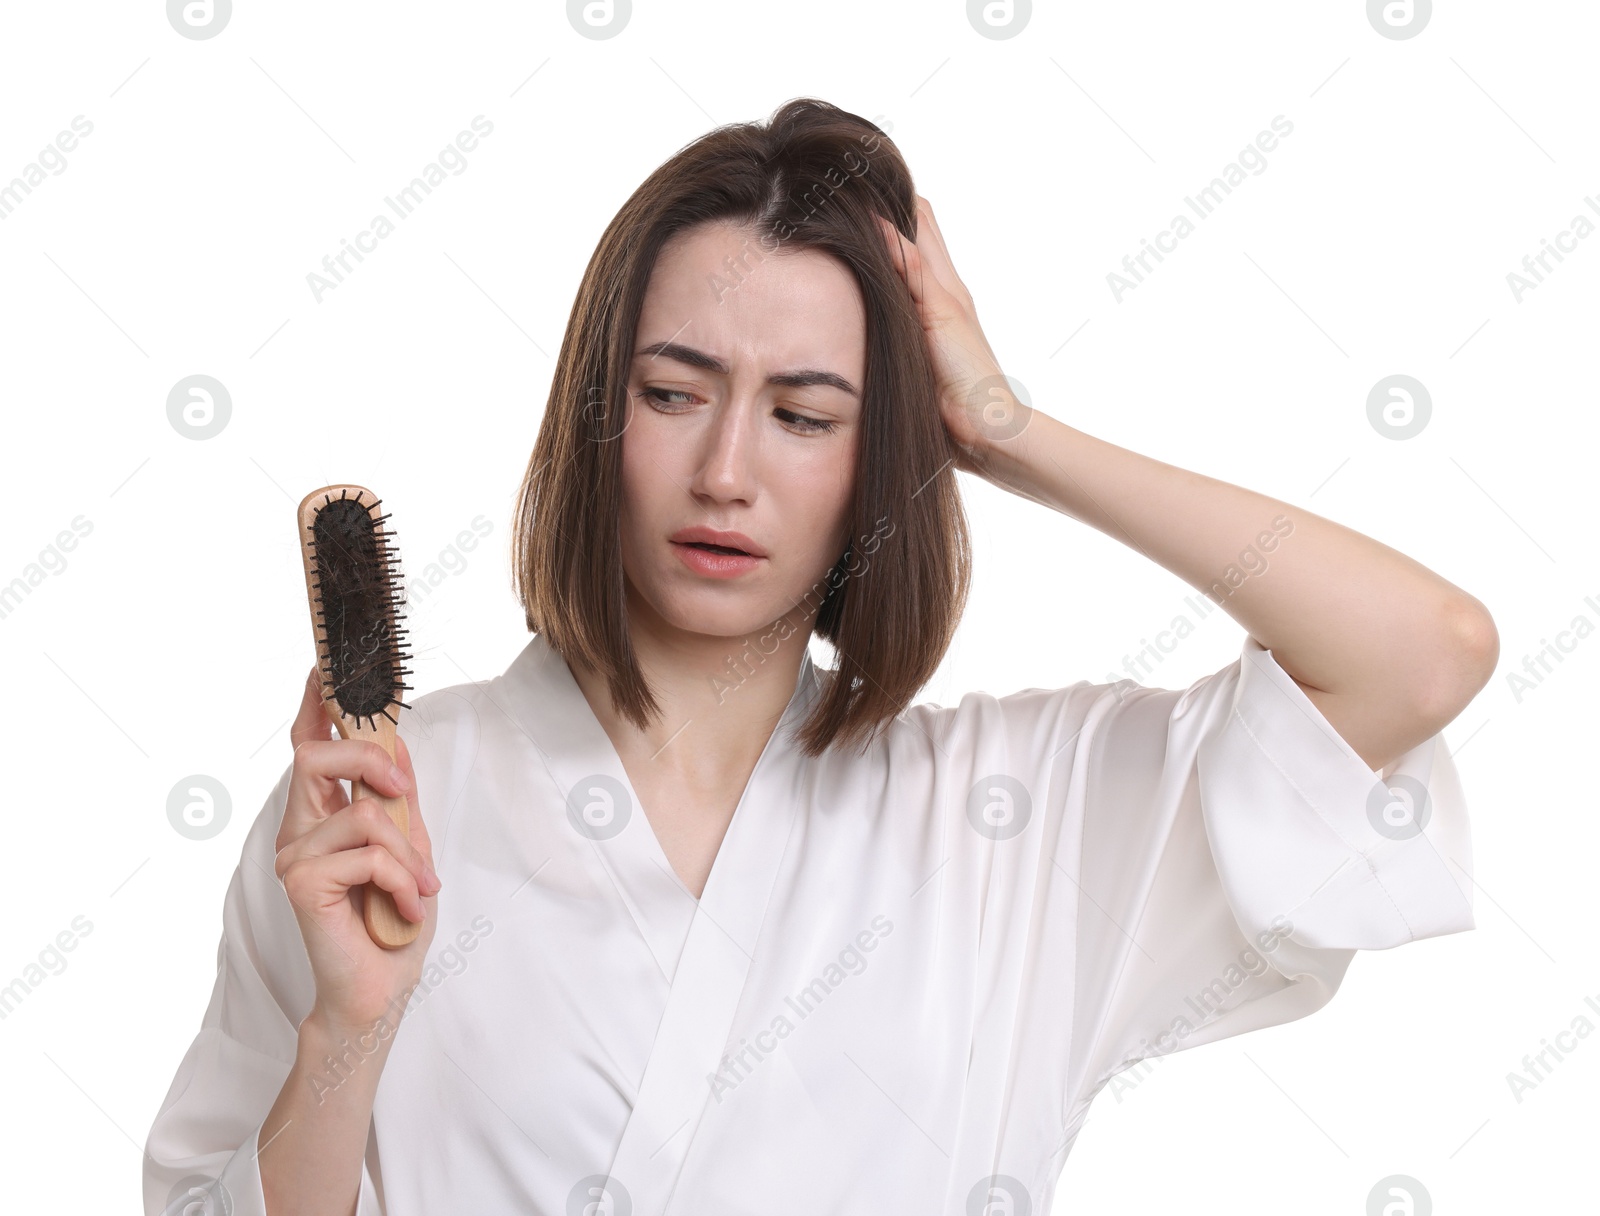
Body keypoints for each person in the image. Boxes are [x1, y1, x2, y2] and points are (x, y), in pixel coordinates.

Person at [143, 98, 1496, 1216]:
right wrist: (346, 1037)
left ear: (880, 461)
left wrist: (1006, 425)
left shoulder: (1012, 823)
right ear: (598, 417)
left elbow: (1422, 654)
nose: (724, 471)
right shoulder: (382, 812)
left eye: (804, 414)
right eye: (674, 395)